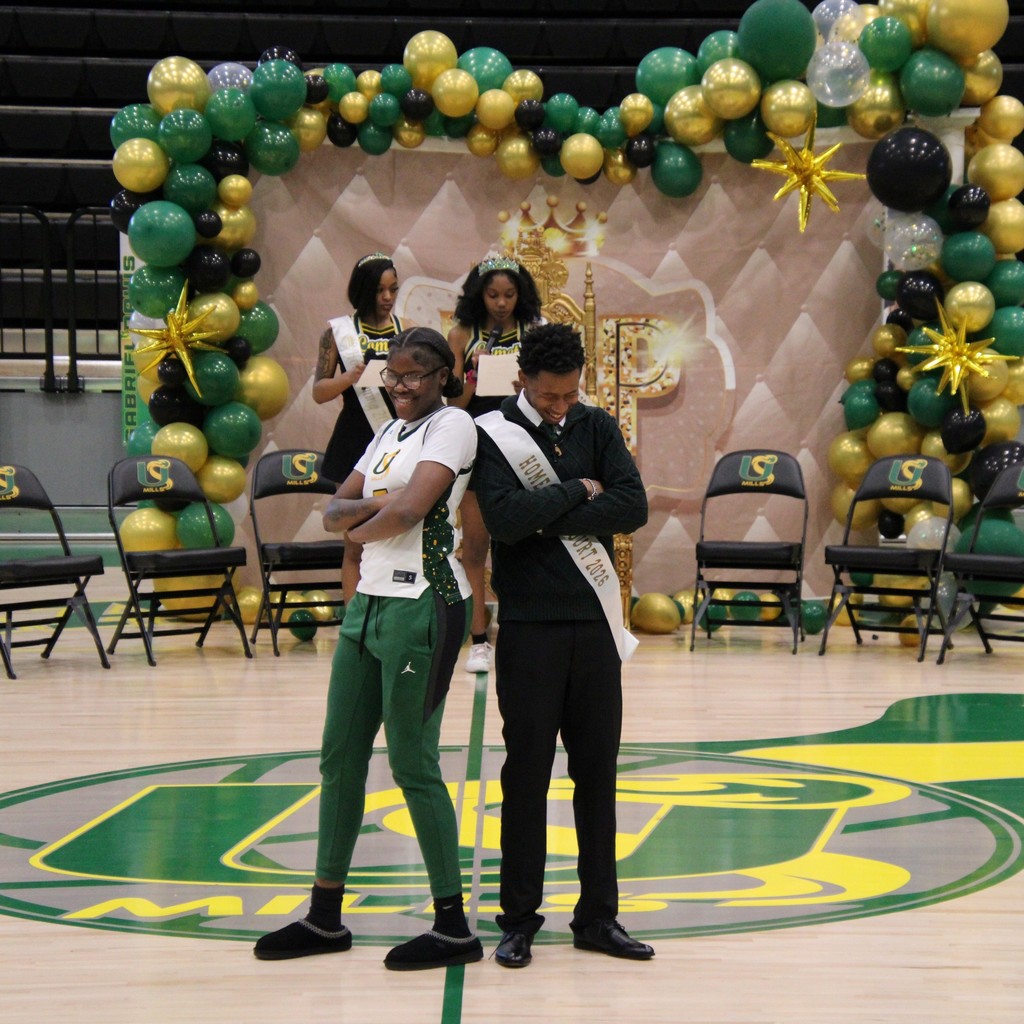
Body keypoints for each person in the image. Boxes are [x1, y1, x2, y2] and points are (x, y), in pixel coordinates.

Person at [255, 327, 483, 971]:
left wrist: (362, 515)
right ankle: (325, 918)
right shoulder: (386, 434)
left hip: (425, 606)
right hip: (368, 606)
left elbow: (408, 512)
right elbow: (335, 509)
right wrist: (362, 514)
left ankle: (452, 927)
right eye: (392, 374)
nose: (400, 385)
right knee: (339, 758)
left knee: (412, 762)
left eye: (414, 375)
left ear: (443, 375)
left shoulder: (454, 429)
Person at [470, 322, 653, 968]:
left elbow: (633, 506)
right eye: (550, 396)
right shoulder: (492, 433)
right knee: (527, 777)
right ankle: (518, 919)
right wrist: (578, 490)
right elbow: (504, 521)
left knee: (597, 773)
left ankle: (598, 917)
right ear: (522, 380)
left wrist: (544, 510)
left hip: (594, 627)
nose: (560, 407)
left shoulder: (596, 426)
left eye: (570, 395)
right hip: (528, 630)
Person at [446, 256, 544, 673]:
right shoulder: (462, 333)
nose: (501, 303)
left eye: (509, 295)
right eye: (493, 295)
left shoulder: (534, 332)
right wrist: (471, 375)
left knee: (521, 542)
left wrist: (527, 386)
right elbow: (453, 404)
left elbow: (549, 397)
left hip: (521, 445)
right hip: (477, 445)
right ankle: (479, 639)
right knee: (475, 545)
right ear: (478, 294)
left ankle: (522, 631)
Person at [313, 252, 409, 602]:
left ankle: (393, 611)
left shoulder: (407, 329)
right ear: (363, 290)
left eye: (393, 290)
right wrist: (349, 378)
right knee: (354, 541)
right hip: (354, 439)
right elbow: (319, 392)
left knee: (401, 536)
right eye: (379, 290)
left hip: (399, 439)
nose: (387, 298)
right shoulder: (338, 333)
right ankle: (355, 623)